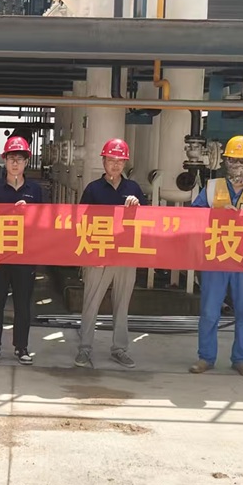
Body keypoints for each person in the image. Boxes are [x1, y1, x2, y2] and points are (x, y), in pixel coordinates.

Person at [190, 135, 243, 378]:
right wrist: (216, 212)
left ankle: (241, 359)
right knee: (210, 311)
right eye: (233, 160)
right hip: (216, 257)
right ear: (225, 162)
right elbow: (193, 216)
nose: (237, 165)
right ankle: (206, 357)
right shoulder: (212, 188)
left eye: (242, 160)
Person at [75, 138, 148, 369]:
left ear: (125, 163)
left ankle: (119, 349)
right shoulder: (93, 189)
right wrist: (89, 254)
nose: (115, 165)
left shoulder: (133, 189)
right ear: (103, 161)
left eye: (120, 161)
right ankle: (85, 348)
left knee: (122, 303)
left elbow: (150, 219)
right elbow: (81, 221)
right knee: (91, 302)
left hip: (126, 254)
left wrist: (138, 207)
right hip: (98, 254)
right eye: (111, 160)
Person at [0, 136, 43, 365]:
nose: (15, 163)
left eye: (20, 158)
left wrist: (30, 212)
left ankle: (21, 347)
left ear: (26, 162)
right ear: (4, 161)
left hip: (25, 255)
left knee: (23, 304)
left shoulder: (35, 191)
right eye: (11, 158)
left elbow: (45, 222)